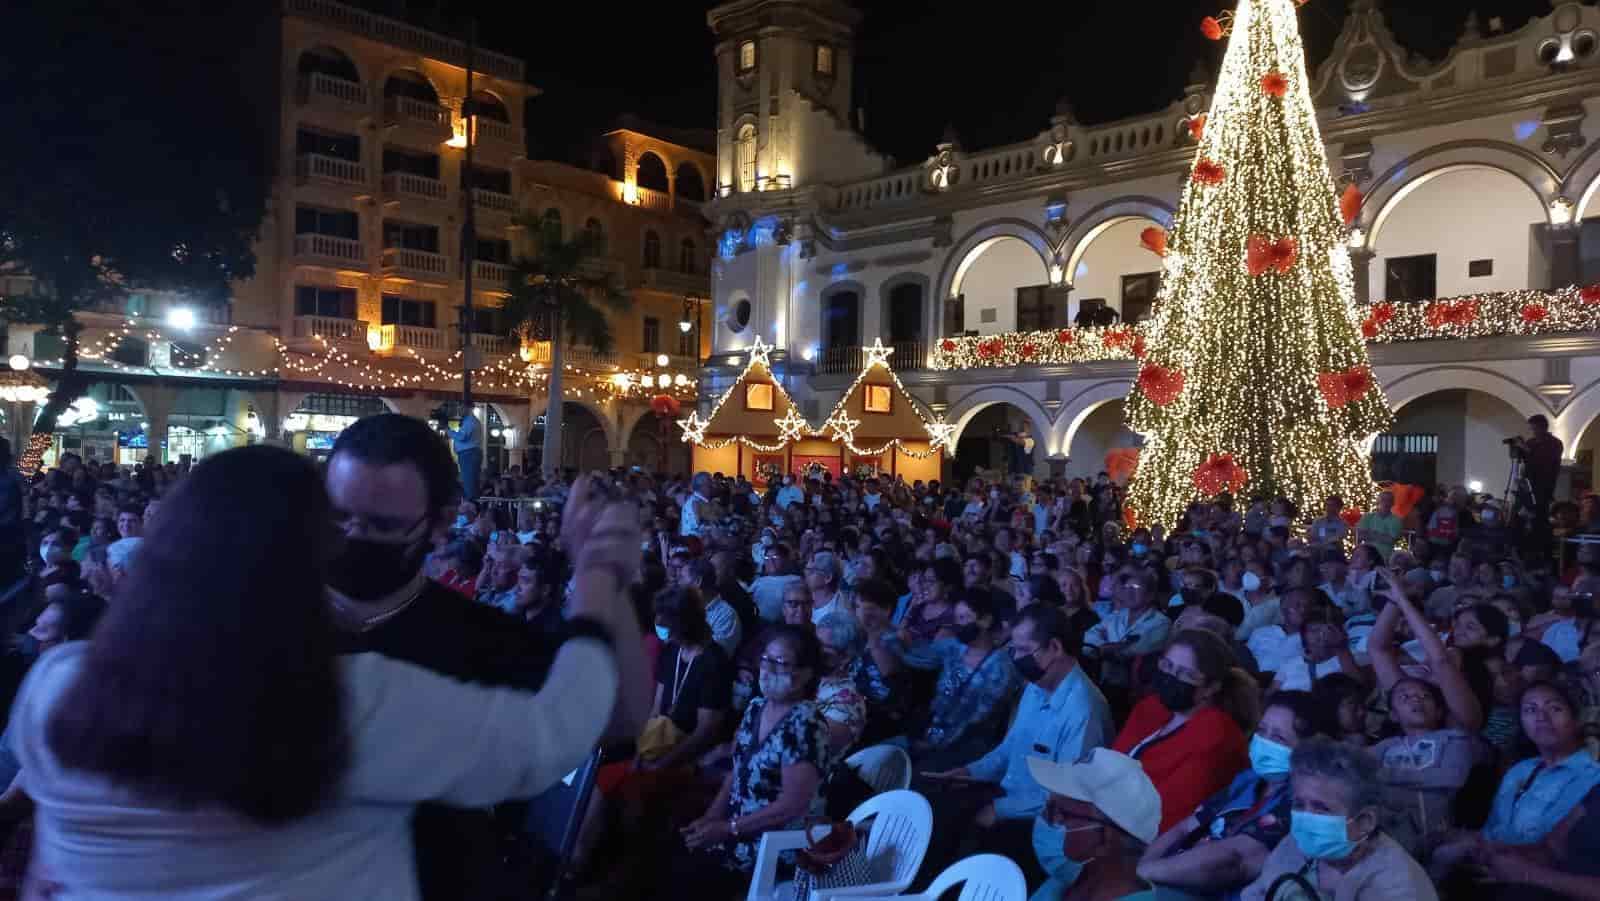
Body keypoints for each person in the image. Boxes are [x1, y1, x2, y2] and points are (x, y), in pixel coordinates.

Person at [9, 446, 642, 900]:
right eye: (336, 527)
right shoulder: (345, 703)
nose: (352, 542)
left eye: (380, 524)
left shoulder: (58, 684)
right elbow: (553, 734)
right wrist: (594, 580)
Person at [322, 415, 651, 900]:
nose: (353, 535)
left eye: (381, 525)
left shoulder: (476, 635)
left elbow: (618, 718)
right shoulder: (263, 628)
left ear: (439, 524)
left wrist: (605, 574)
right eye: (339, 516)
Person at [926, 605, 1114, 886]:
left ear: (1054, 647)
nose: (1016, 658)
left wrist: (999, 810)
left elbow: (1067, 798)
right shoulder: (1036, 687)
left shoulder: (1084, 712)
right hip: (1009, 795)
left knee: (964, 849)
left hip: (1045, 824)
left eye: (1024, 650)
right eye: (1013, 649)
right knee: (936, 803)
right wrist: (969, 772)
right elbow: (1008, 749)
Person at [671, 626, 832, 899]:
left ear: (805, 674)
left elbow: (792, 806)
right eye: (766, 659)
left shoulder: (806, 723)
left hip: (773, 844)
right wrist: (712, 816)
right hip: (737, 827)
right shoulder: (757, 706)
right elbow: (738, 770)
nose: (767, 670)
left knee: (689, 878)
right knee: (671, 844)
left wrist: (727, 829)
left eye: (780, 663)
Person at [1136, 692, 1326, 899]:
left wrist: (1147, 873)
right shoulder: (1247, 780)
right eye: (1262, 731)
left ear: (1307, 749)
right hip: (1168, 882)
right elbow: (1184, 828)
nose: (1264, 742)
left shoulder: (1302, 802)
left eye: (1278, 737)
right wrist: (1142, 869)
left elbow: (1234, 860)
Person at [1241, 738, 1438, 901]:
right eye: (1300, 805)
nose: (1306, 818)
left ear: (1365, 821)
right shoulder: (1293, 846)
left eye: (1321, 808)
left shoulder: (1399, 886)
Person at [1112, 630, 1254, 833]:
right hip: (1111, 819)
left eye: (1186, 674)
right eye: (1167, 665)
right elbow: (1109, 765)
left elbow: (1167, 816)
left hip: (1147, 841)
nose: (1171, 677)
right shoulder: (1152, 707)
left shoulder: (1217, 736)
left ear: (1210, 687)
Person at [887, 591, 1021, 770]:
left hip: (966, 747)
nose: (958, 625)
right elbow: (919, 657)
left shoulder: (1001, 668)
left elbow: (975, 720)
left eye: (964, 618)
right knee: (882, 754)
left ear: (986, 620)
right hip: (932, 733)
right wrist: (890, 636)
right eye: (957, 619)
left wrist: (931, 744)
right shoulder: (954, 647)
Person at [1030, 749, 1163, 901]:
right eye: (1048, 806)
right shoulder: (1064, 884)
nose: (1043, 819)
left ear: (1104, 840)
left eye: (1059, 812)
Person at [1356, 490, 1404, 561]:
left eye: (1389, 500)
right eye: (1383, 500)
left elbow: (1391, 540)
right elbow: (1360, 535)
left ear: (1392, 503)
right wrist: (1382, 536)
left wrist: (1370, 534)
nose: (1386, 503)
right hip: (1367, 555)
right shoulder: (1367, 517)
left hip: (1385, 557)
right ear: (1378, 501)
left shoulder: (1396, 520)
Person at [447, 406, 482, 501]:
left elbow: (462, 436)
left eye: (461, 408)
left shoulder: (470, 421)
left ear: (468, 408)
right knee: (469, 480)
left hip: (469, 454)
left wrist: (449, 431)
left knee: (468, 481)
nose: (459, 411)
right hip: (468, 454)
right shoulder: (470, 421)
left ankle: (470, 505)